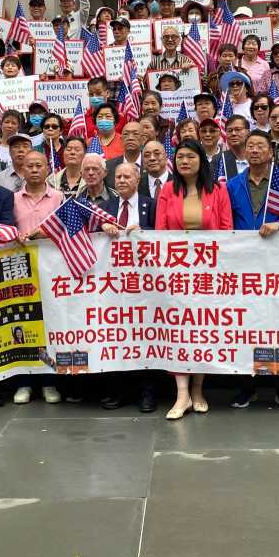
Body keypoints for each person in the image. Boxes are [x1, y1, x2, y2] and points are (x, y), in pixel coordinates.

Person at [227, 132, 279, 410]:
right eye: (250, 147)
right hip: (243, 269)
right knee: (244, 328)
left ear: (271, 153)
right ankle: (245, 387)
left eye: (260, 146)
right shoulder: (232, 185)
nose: (254, 151)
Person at [155, 138, 233, 418]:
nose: (184, 161)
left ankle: (198, 390)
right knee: (177, 331)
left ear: (201, 160)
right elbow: (161, 232)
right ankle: (182, 394)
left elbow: (226, 230)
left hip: (207, 274)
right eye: (179, 157)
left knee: (202, 331)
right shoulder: (167, 190)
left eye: (190, 156)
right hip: (176, 273)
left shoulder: (218, 190)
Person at [98, 162, 158, 412]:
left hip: (145, 284)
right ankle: (117, 391)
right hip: (113, 285)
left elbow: (164, 234)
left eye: (127, 176)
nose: (121, 180)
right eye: (118, 176)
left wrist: (144, 232)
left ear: (137, 178)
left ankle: (148, 393)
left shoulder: (150, 204)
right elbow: (86, 233)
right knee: (117, 336)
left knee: (146, 336)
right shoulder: (104, 208)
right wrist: (101, 227)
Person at [11, 150, 65, 406]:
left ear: (47, 169)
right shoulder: (13, 199)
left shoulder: (58, 197)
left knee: (47, 327)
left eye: (39, 165)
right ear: (22, 170)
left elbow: (66, 231)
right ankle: (24, 381)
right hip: (20, 270)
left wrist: (48, 234)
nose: (34, 170)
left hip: (50, 270)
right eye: (29, 166)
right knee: (23, 324)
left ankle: (48, 381)